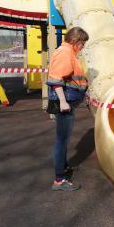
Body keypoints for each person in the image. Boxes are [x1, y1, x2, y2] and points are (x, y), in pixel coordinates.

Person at [47, 27, 89, 191]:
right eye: (83, 43)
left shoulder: (69, 53)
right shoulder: (65, 52)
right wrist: (63, 101)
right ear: (75, 41)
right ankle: (59, 179)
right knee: (61, 140)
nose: (83, 46)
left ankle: (63, 168)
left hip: (68, 102)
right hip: (64, 103)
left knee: (63, 139)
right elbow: (56, 79)